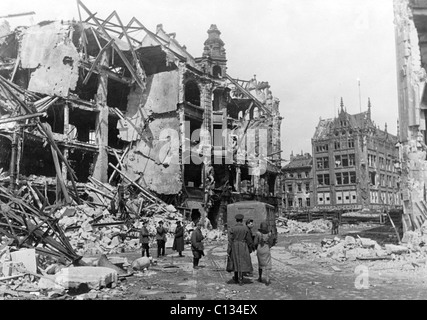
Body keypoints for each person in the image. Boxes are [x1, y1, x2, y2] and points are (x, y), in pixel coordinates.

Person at [227, 213, 253, 285]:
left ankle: (235, 278)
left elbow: (230, 240)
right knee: (242, 261)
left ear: (236, 220)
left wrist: (228, 250)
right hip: (243, 245)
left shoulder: (232, 228)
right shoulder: (245, 228)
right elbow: (249, 239)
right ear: (242, 220)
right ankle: (241, 279)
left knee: (235, 260)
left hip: (234, 246)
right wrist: (250, 247)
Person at [254, 221, 275, 286]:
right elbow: (271, 242)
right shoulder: (269, 234)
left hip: (260, 248)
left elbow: (255, 242)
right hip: (266, 248)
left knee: (260, 263)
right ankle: (267, 278)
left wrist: (256, 247)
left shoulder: (258, 233)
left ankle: (260, 277)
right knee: (268, 263)